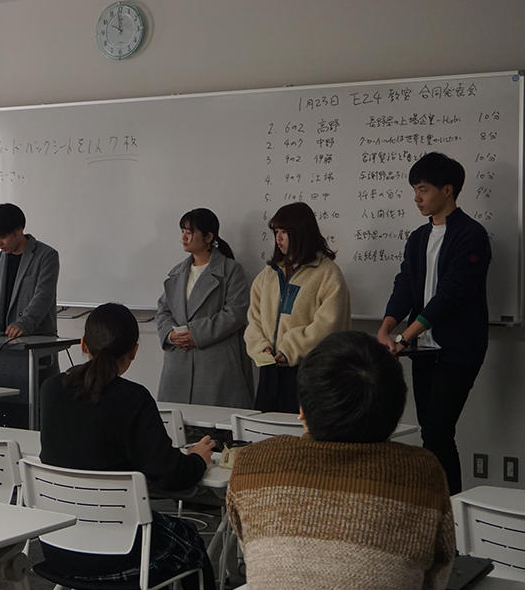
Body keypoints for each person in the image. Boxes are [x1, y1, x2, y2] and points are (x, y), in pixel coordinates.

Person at [226, 331, 455, 590]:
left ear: (302, 409)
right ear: (395, 411)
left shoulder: (251, 465)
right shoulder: (423, 473)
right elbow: (435, 580)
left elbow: (253, 552)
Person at [39, 303, 216, 590]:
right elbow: (171, 475)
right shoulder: (134, 399)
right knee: (188, 540)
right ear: (134, 351)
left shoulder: (51, 390)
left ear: (83, 344)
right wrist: (197, 458)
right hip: (121, 551)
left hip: (58, 545)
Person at [376, 152, 491, 495]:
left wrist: (405, 337)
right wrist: (385, 328)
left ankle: (449, 509)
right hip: (424, 349)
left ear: (447, 190)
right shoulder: (418, 238)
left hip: (458, 349)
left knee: (439, 431)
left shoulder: (471, 235)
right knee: (431, 431)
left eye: (423, 189)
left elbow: (452, 294)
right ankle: (440, 505)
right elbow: (405, 285)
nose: (417, 198)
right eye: (415, 189)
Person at [244, 202, 350, 412]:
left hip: (310, 371)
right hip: (270, 370)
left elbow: (328, 325)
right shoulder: (268, 274)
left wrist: (291, 349)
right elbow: (254, 318)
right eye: (276, 232)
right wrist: (261, 347)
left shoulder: (327, 274)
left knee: (303, 430)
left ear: (302, 232)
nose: (278, 238)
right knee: (267, 428)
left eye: (284, 232)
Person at [155, 208, 253, 407]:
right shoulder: (177, 273)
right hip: (178, 363)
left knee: (216, 421)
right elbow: (163, 310)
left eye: (190, 232)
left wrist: (195, 334)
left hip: (215, 363)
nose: (184, 237)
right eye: (183, 231)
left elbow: (235, 313)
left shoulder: (231, 270)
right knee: (177, 420)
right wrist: (170, 335)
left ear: (208, 237)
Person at [0, 202, 60, 337]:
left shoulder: (46, 256)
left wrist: (24, 323)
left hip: (34, 339)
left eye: (3, 236)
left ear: (19, 230)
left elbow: (44, 296)